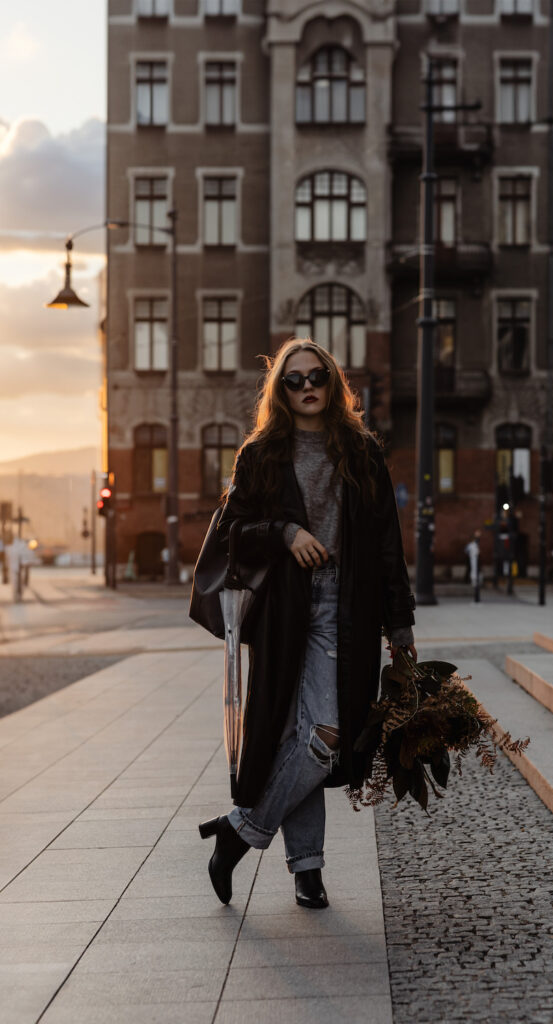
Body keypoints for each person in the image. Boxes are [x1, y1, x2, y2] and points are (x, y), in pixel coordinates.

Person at [198, 338, 416, 910]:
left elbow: (388, 546)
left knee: (323, 736)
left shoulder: (361, 452)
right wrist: (285, 533)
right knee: (301, 738)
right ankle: (308, 870)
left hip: (344, 611)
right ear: (280, 391)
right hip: (283, 613)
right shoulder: (261, 454)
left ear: (333, 381)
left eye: (317, 375)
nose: (307, 387)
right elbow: (233, 533)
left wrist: (400, 627)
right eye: (293, 380)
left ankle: (239, 831)